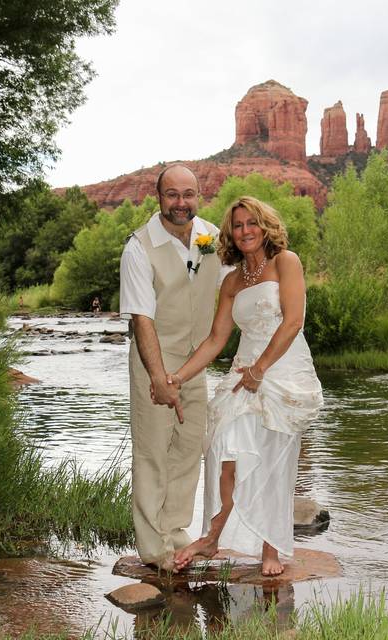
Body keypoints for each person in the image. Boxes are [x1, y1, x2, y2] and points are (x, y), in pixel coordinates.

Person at [167, 196, 323, 576]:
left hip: (281, 369)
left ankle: (271, 548)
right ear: (230, 234)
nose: (244, 231)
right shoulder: (233, 280)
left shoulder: (286, 262)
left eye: (251, 223)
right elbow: (216, 339)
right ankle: (212, 537)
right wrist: (178, 376)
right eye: (237, 226)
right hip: (243, 372)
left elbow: (293, 322)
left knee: (275, 459)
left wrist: (261, 370)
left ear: (265, 225)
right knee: (225, 456)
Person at [119, 164, 223, 570]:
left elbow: (235, 281)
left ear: (199, 195)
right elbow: (141, 319)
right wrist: (159, 378)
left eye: (189, 194)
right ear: (158, 197)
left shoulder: (210, 237)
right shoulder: (139, 247)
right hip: (154, 360)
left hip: (196, 363)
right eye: (173, 195)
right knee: (152, 453)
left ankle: (177, 535)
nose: (182, 203)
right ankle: (153, 548)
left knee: (188, 449)